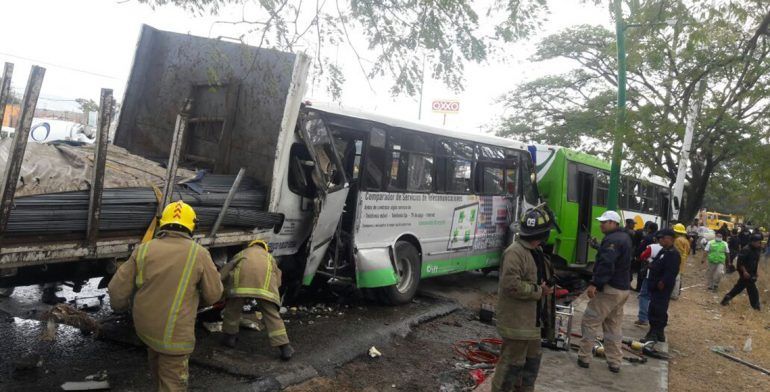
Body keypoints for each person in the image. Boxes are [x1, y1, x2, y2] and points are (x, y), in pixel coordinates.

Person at [109, 201, 223, 391]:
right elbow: (214, 295)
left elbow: (116, 290)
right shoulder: (199, 254)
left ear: (163, 223)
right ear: (192, 226)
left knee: (157, 370)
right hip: (175, 337)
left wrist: (120, 307)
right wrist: (195, 300)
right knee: (173, 384)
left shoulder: (143, 249)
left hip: (147, 330)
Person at [492, 207, 556, 392]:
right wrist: (538, 290)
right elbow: (511, 285)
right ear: (543, 234)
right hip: (517, 325)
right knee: (510, 368)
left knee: (530, 366)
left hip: (532, 325)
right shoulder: (515, 252)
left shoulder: (536, 251)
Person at [220, 240, 294, 361]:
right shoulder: (269, 257)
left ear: (251, 245)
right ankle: (285, 347)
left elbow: (225, 271)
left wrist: (219, 286)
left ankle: (230, 338)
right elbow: (278, 279)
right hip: (264, 290)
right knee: (272, 316)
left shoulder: (241, 253)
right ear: (264, 248)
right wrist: (274, 291)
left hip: (240, 288)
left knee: (232, 311)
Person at [577, 210, 631, 374]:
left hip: (609, 290)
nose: (601, 224)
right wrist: (599, 247)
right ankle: (615, 362)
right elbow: (615, 257)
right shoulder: (624, 237)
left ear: (614, 223)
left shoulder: (612, 240)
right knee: (613, 327)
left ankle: (584, 357)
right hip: (623, 289)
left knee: (590, 322)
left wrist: (595, 284)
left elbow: (607, 264)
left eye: (604, 222)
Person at [642, 229, 681, 343]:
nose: (661, 240)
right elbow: (657, 263)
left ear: (670, 239)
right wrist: (651, 266)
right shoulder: (664, 251)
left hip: (662, 287)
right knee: (655, 308)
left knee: (657, 310)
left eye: (663, 238)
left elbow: (672, 271)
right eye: (659, 238)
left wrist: (663, 282)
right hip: (656, 285)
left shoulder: (673, 253)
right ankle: (658, 333)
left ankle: (654, 334)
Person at [721, 233, 763, 311]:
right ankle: (756, 307)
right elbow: (740, 263)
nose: (759, 243)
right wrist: (744, 272)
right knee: (753, 291)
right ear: (753, 241)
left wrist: (756, 271)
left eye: (760, 242)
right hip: (745, 273)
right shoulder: (746, 249)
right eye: (758, 242)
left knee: (739, 288)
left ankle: (726, 299)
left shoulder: (757, 249)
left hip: (751, 272)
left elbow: (756, 261)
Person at [635, 231, 663, 327]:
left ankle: (643, 318)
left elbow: (642, 256)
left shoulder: (652, 247)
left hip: (650, 276)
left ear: (656, 239)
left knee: (644, 296)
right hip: (662, 278)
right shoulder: (669, 249)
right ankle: (654, 319)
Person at [670, 223, 690, 300]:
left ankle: (674, 295)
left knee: (676, 278)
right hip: (683, 261)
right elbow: (688, 252)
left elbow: (675, 251)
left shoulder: (677, 240)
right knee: (679, 277)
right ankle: (677, 293)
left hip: (677, 260)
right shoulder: (686, 240)